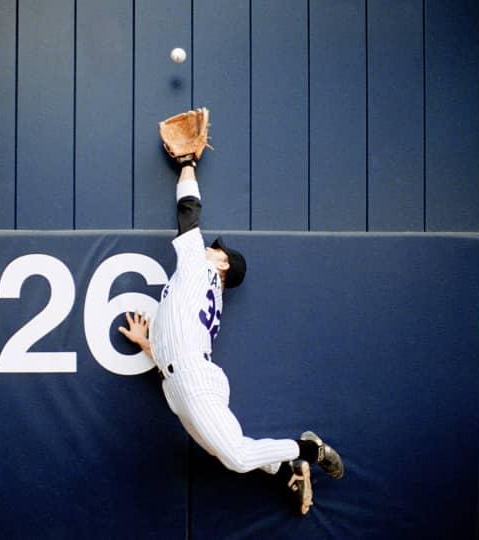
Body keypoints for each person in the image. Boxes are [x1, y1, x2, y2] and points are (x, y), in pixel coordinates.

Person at [118, 111, 344, 515]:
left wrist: (187, 165)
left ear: (222, 265)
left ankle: (308, 448)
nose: (211, 247)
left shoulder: (200, 268)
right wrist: (148, 344)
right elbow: (182, 336)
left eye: (218, 249)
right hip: (185, 378)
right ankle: (286, 470)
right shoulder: (198, 284)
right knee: (231, 453)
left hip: (191, 379)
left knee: (237, 457)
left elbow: (188, 212)